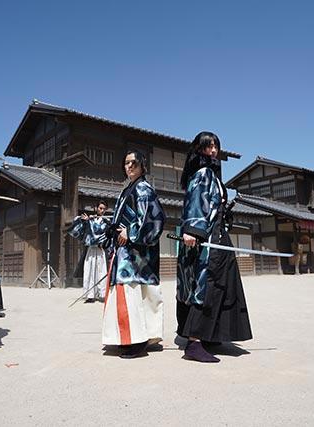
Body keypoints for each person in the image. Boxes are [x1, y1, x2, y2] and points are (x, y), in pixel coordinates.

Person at [176, 131, 252, 363]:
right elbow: (196, 204)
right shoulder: (202, 174)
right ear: (198, 151)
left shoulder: (213, 175)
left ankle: (212, 334)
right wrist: (193, 231)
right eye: (208, 147)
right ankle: (195, 342)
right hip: (206, 239)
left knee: (223, 284)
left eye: (216, 147)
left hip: (218, 235)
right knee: (206, 285)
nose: (213, 151)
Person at [101, 150, 166, 358]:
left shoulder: (144, 189)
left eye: (133, 163)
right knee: (136, 293)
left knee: (131, 292)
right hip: (127, 250)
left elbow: (154, 219)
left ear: (142, 166)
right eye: (126, 163)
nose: (129, 167)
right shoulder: (128, 189)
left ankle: (136, 340)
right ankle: (141, 336)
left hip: (136, 253)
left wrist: (131, 231)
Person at [67, 201, 110, 302]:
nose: (102, 210)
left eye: (104, 209)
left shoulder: (106, 221)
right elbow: (82, 230)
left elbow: (108, 235)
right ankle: (90, 295)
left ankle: (102, 294)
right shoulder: (90, 220)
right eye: (100, 208)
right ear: (96, 208)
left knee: (101, 271)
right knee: (89, 271)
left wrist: (104, 243)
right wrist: (85, 221)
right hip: (91, 249)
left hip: (100, 249)